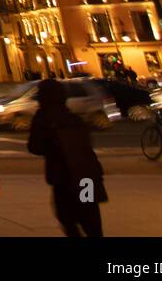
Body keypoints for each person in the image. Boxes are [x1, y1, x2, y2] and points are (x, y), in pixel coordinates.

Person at [27, 79, 106, 237]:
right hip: (86, 176)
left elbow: (35, 147)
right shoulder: (73, 117)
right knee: (90, 216)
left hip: (63, 178)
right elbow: (87, 146)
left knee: (66, 217)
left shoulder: (43, 117)